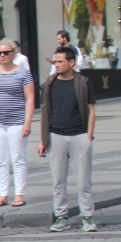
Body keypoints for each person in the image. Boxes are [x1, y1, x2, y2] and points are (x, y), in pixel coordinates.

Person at [40, 46, 97, 232]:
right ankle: (61, 216)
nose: (56, 65)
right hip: (56, 135)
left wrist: (88, 136)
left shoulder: (83, 82)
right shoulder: (50, 83)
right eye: (55, 62)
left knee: (83, 180)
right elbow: (46, 112)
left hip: (79, 134)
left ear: (72, 62)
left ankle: (87, 216)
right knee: (58, 180)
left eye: (60, 61)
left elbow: (91, 110)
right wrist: (43, 139)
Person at [0, 38, 34, 208]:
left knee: (18, 158)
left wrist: (28, 122)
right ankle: (3, 194)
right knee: (0, 159)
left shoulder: (23, 73)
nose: (2, 55)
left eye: (6, 52)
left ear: (13, 53)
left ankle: (19, 194)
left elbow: (30, 98)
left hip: (17, 121)